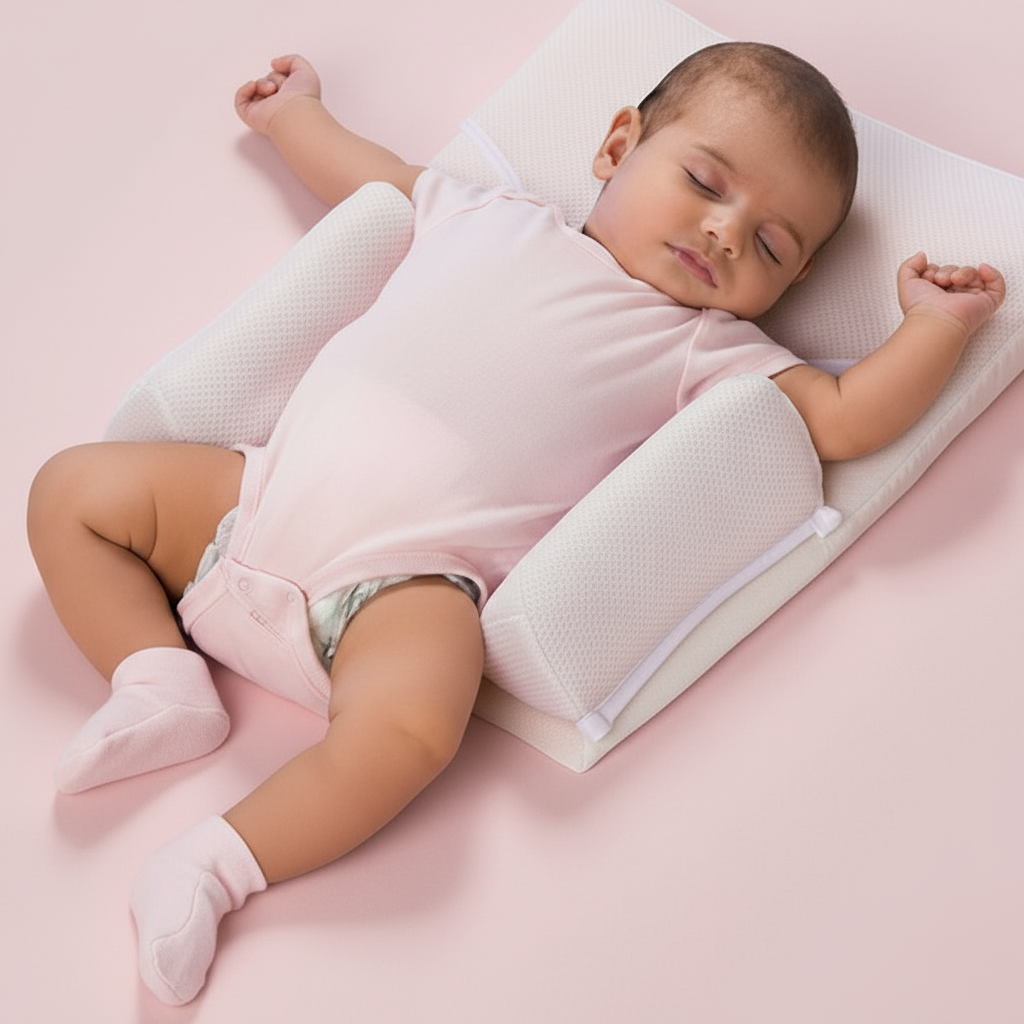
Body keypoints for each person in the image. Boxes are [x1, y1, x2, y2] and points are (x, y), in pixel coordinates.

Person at [26, 42, 1005, 1005]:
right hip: (252, 500)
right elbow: (362, 179)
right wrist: (293, 116)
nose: (721, 234)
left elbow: (844, 417)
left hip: (403, 589)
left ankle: (213, 864)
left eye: (769, 246)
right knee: (69, 490)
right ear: (617, 144)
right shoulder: (482, 213)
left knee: (411, 729)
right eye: (705, 183)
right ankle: (158, 680)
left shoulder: (710, 352)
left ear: (787, 290)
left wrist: (931, 327)